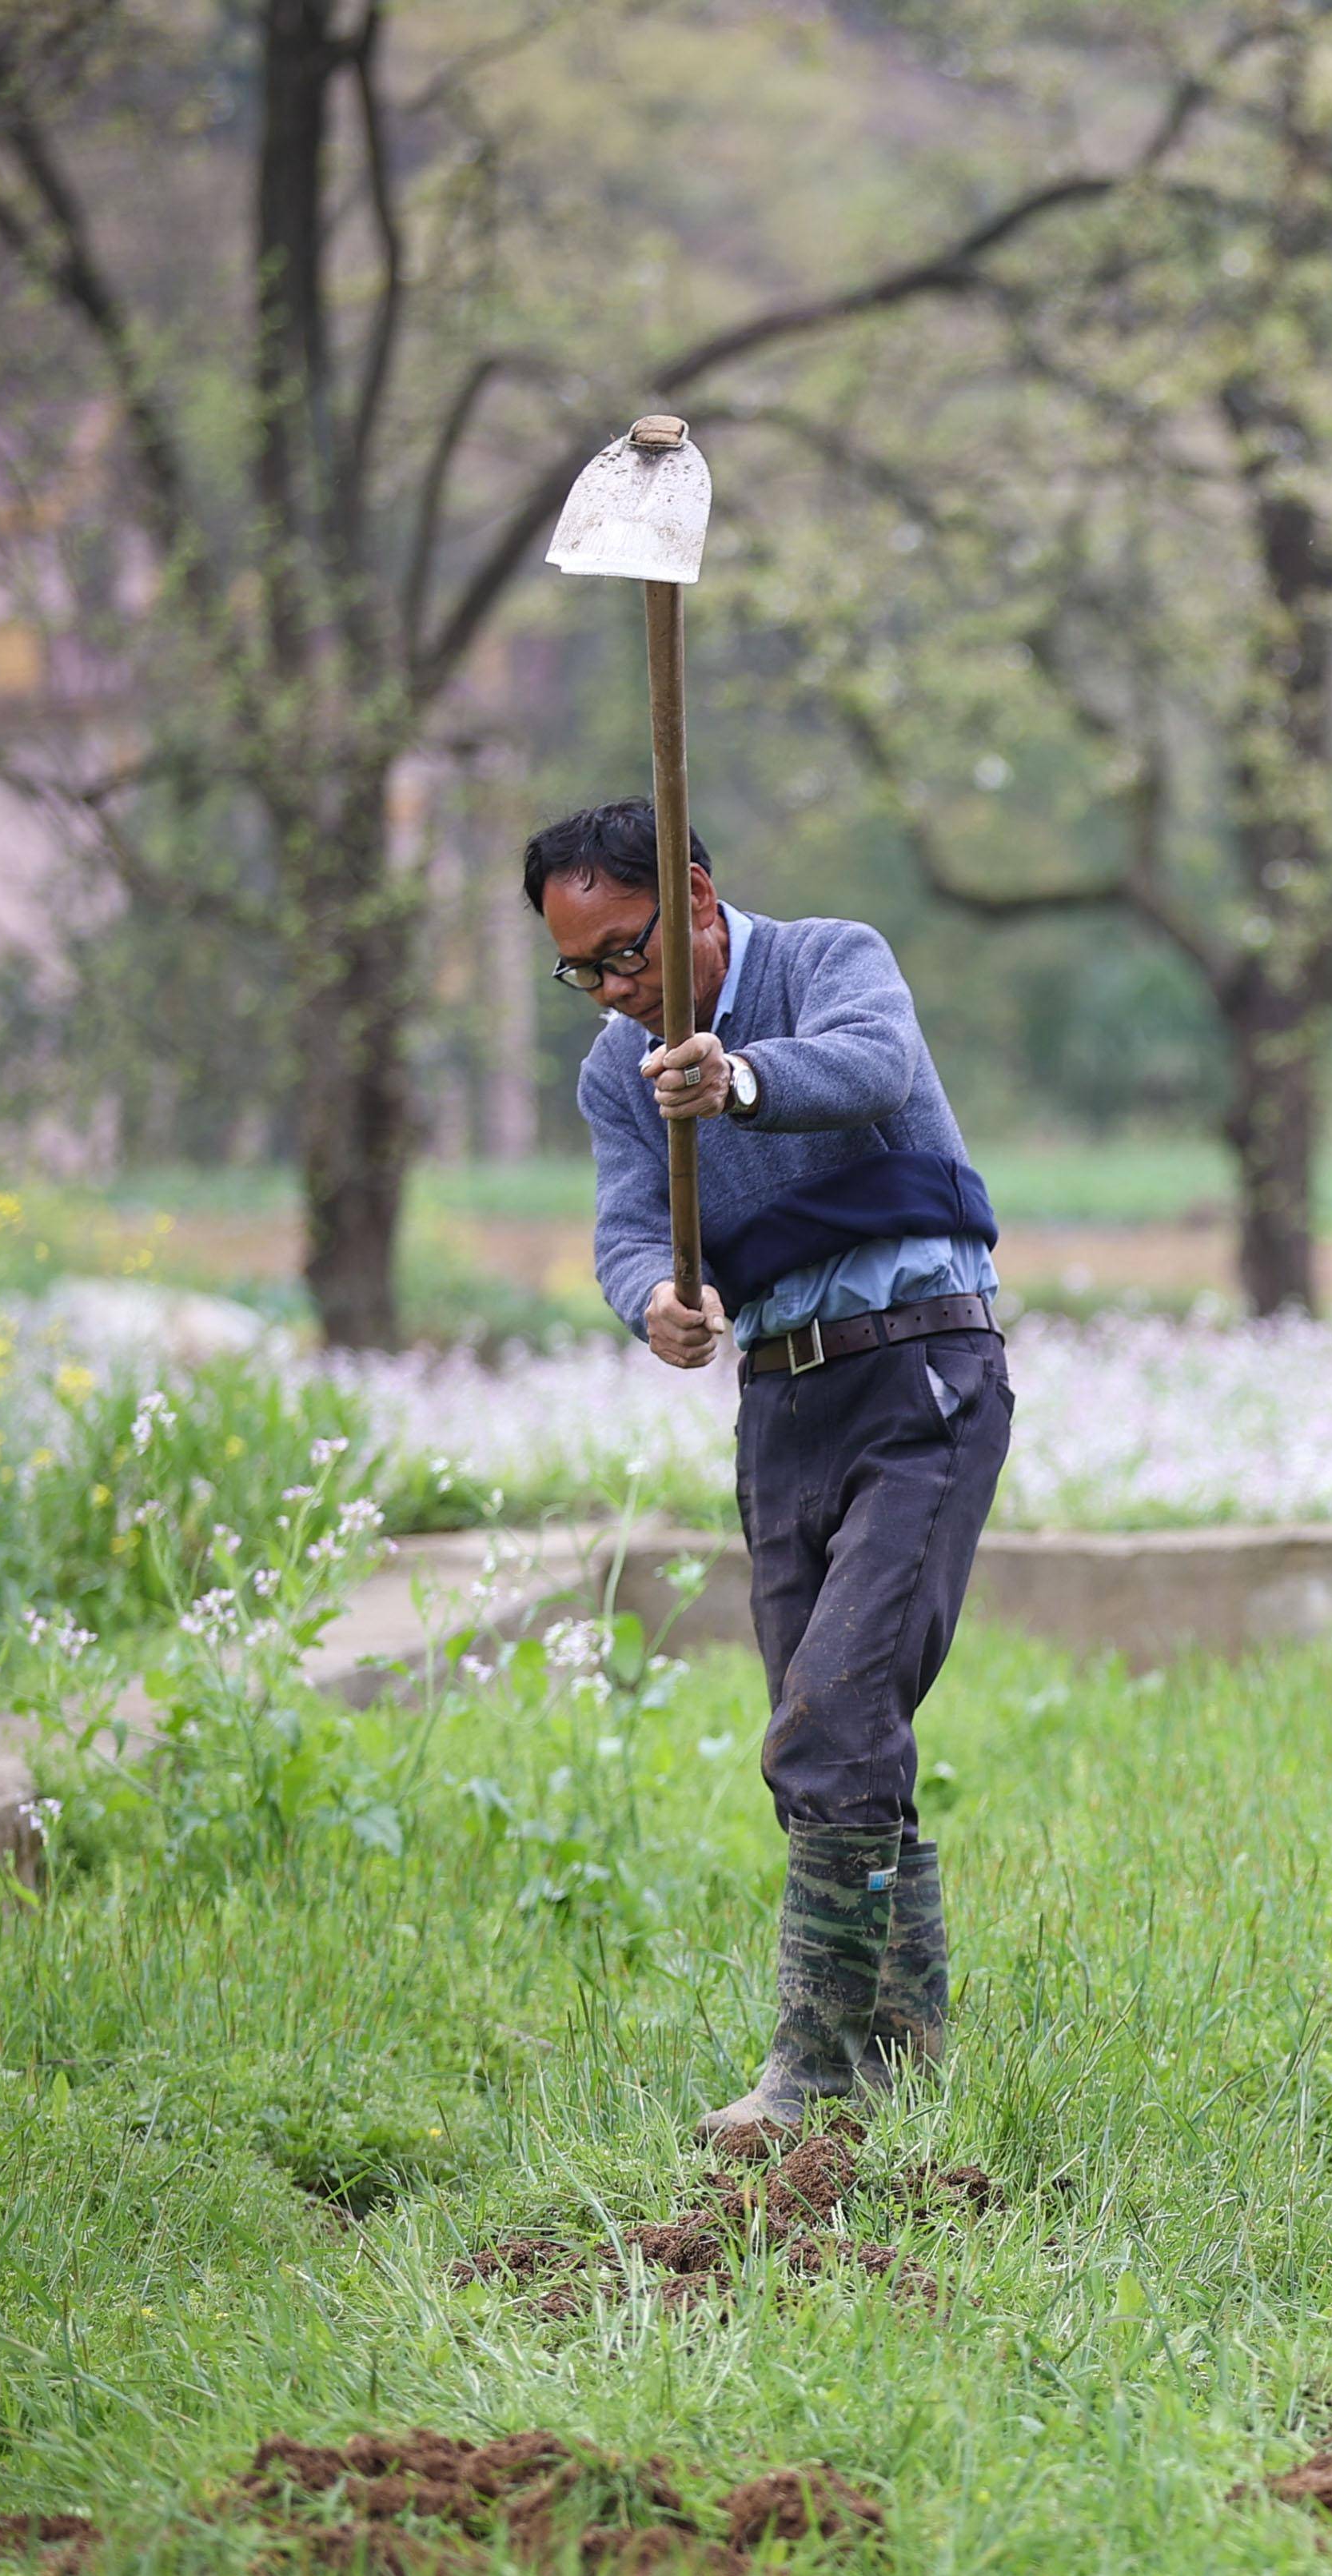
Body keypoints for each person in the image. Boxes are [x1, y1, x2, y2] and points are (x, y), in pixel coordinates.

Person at [531, 799, 1015, 2146]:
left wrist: (739, 1078)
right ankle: (903, 2058)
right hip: (779, 1409)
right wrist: (656, 1305)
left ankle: (814, 2066)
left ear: (692, 893)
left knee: (829, 1717)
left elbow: (869, 1066)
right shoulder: (609, 1071)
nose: (618, 993)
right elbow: (630, 1228)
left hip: (921, 1374)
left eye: (628, 952)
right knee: (841, 1739)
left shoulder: (828, 959)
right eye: (584, 971)